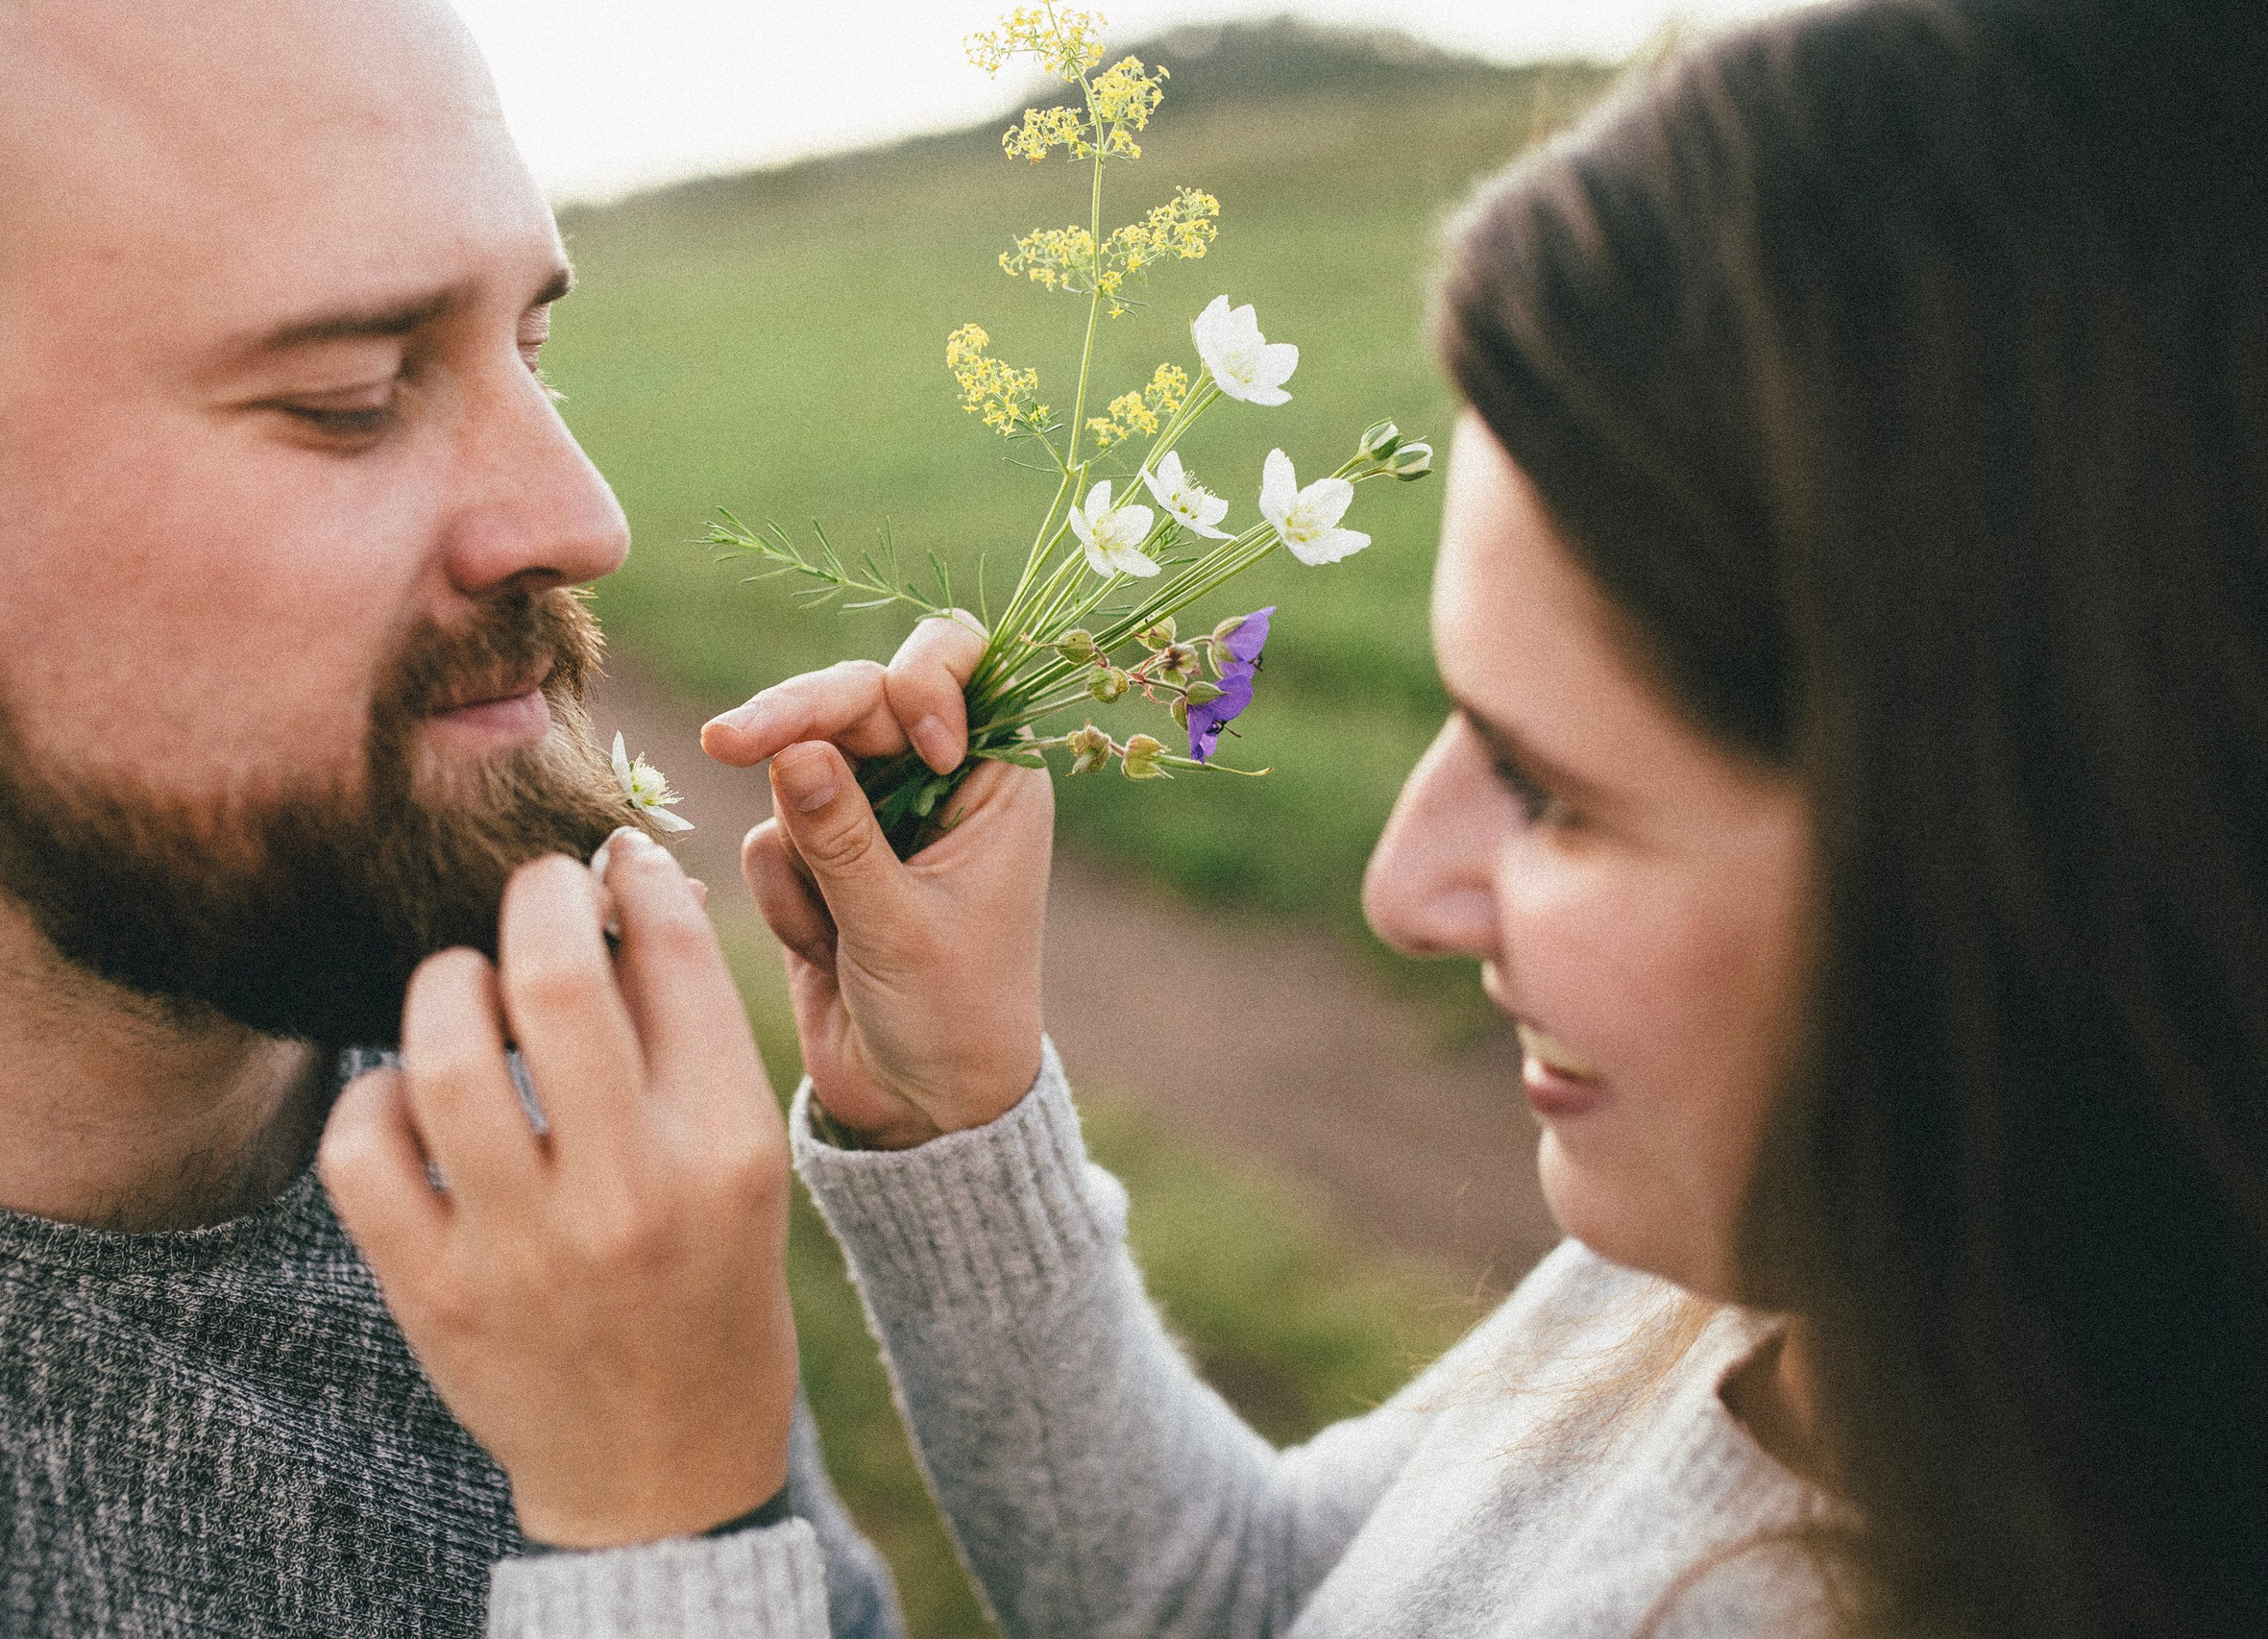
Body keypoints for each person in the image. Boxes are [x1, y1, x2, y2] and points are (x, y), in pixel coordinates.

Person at [320, 0, 2267, 1634]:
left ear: (2034, 872)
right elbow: (1243, 1601)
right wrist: (956, 1105)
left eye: (1557, 795)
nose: (1402, 884)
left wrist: (660, 1518)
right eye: (1456, 724)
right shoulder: (1777, 1268)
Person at [0, 1, 898, 1633]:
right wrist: (659, 1543)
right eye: (349, 394)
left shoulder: (520, 1073)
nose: (581, 518)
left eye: (532, 349)